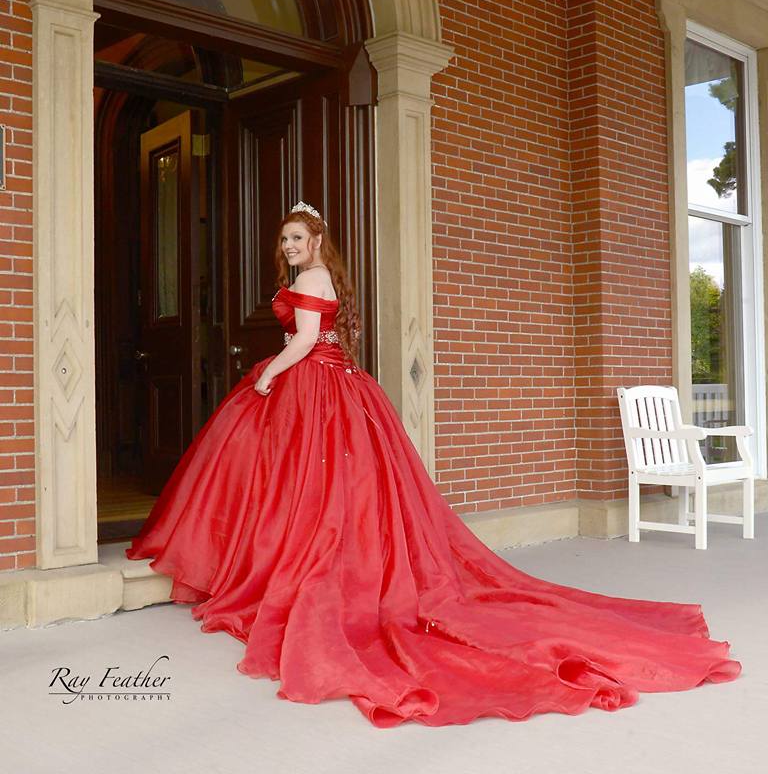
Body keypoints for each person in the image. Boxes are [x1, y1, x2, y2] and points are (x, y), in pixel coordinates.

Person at [125, 201, 741, 728]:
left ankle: (287, 565)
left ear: (316, 242)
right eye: (282, 240)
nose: (287, 248)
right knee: (318, 485)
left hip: (312, 384)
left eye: (296, 239)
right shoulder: (317, 277)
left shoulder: (311, 280)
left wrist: (267, 379)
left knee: (307, 483)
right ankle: (291, 556)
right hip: (329, 385)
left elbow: (309, 341)